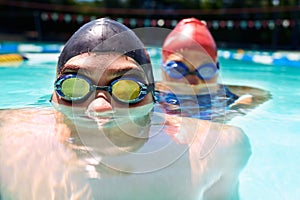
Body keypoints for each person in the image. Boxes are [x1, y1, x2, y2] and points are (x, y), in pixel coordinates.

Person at [0, 18, 251, 200]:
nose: (99, 108)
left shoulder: (219, 148)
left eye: (127, 89)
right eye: (74, 87)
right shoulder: (5, 142)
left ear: (153, 98)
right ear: (54, 95)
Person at [156, 18, 255, 121]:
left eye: (205, 71)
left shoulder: (225, 95)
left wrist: (234, 110)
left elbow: (256, 96)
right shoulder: (152, 95)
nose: (192, 82)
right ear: (163, 70)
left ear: (216, 71)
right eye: (178, 69)